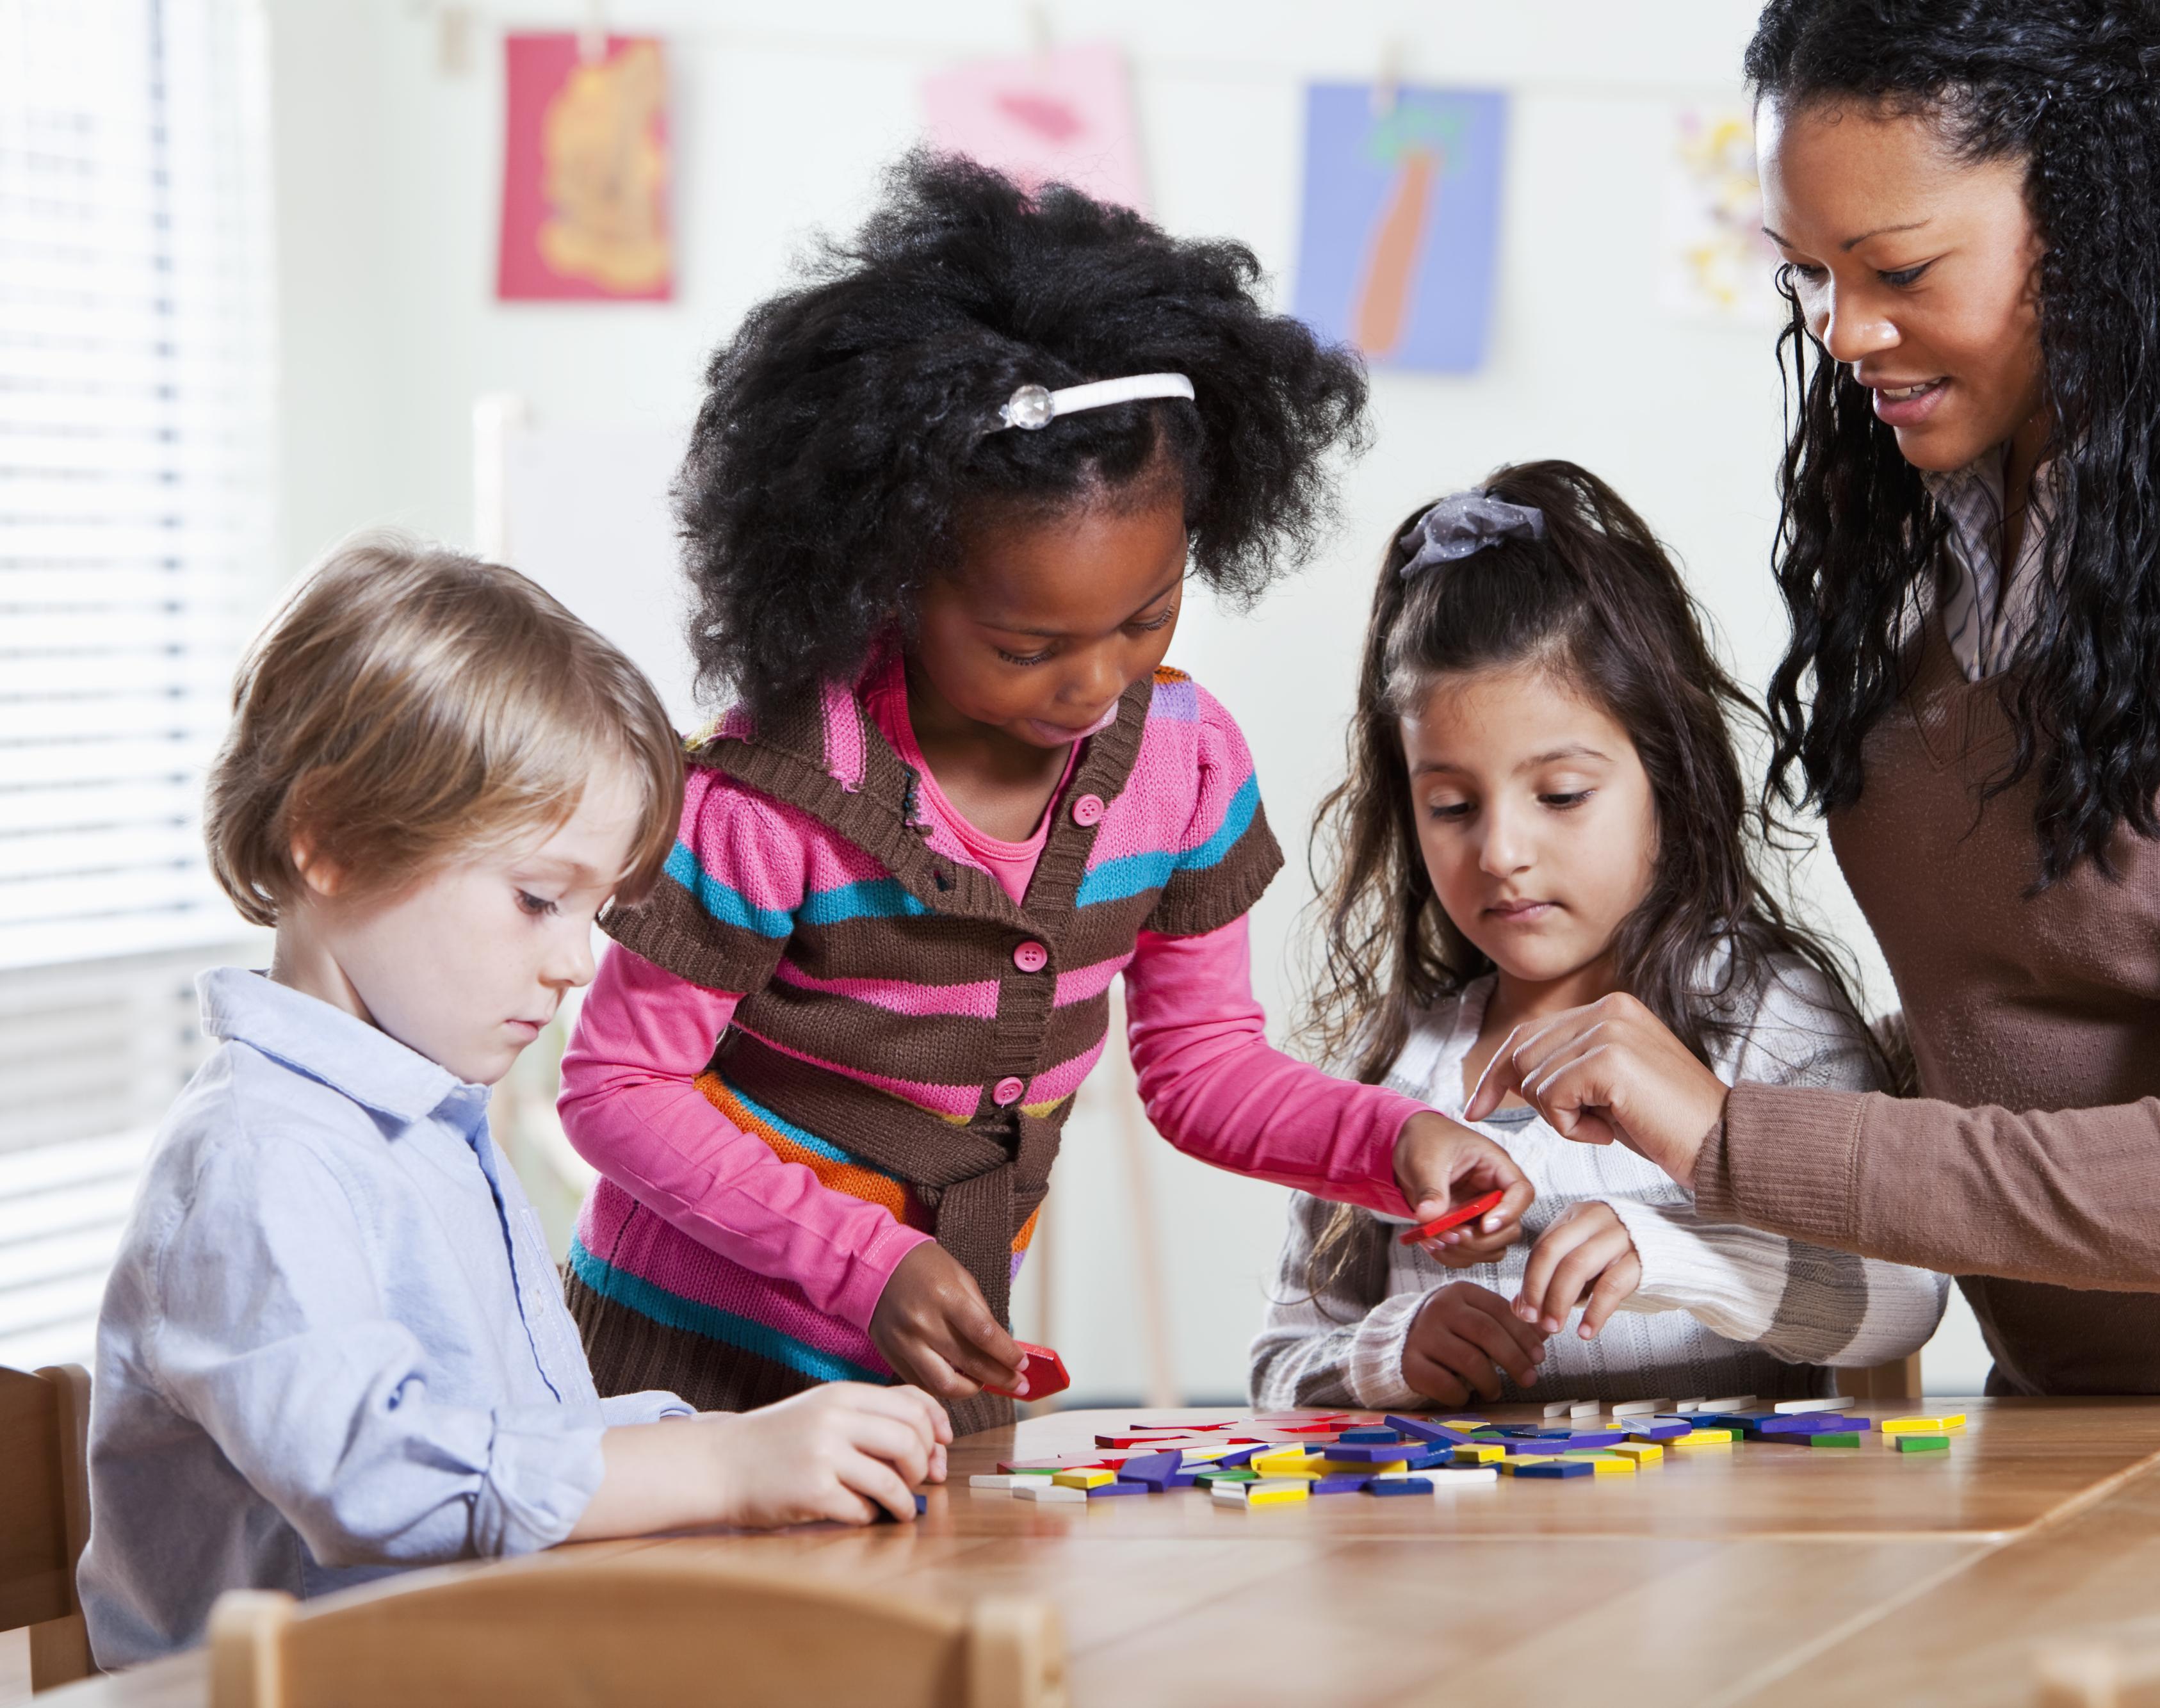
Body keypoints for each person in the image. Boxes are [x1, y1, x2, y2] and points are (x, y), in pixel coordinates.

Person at [1471, 0, 2160, 1394]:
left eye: (1898, 267)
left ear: (2096, 216)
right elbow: (1991, 1025)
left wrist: (1731, 1133)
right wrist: (1640, 1131)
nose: (1844, 328)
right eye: (1803, 271)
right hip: (2055, 1410)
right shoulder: (1924, 539)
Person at [558, 151, 1529, 1435]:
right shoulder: (768, 797)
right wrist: (865, 1261)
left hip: (930, 1378)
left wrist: (1388, 1145)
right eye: (1027, 645)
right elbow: (617, 1089)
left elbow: (1199, 1068)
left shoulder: (1184, 766)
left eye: (1144, 617)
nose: (1092, 683)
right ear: (889, 573)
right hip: (677, 1376)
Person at [79, 538, 952, 1670]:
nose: (579, 964)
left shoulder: (419, 1124)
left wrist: (750, 1450)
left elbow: (513, 1447)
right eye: (539, 899)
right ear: (335, 843)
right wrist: (722, 1468)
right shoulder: (263, 1160)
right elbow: (373, 1481)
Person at [1251, 464, 1944, 1411]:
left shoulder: (1763, 1016)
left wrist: (1674, 1255)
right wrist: (1389, 1352)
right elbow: (1281, 1362)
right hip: (1465, 1555)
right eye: (1450, 806)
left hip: (1734, 1552)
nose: (1501, 852)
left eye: (1563, 797)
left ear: (1667, 773)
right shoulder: (1405, 1072)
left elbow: (1906, 1299)